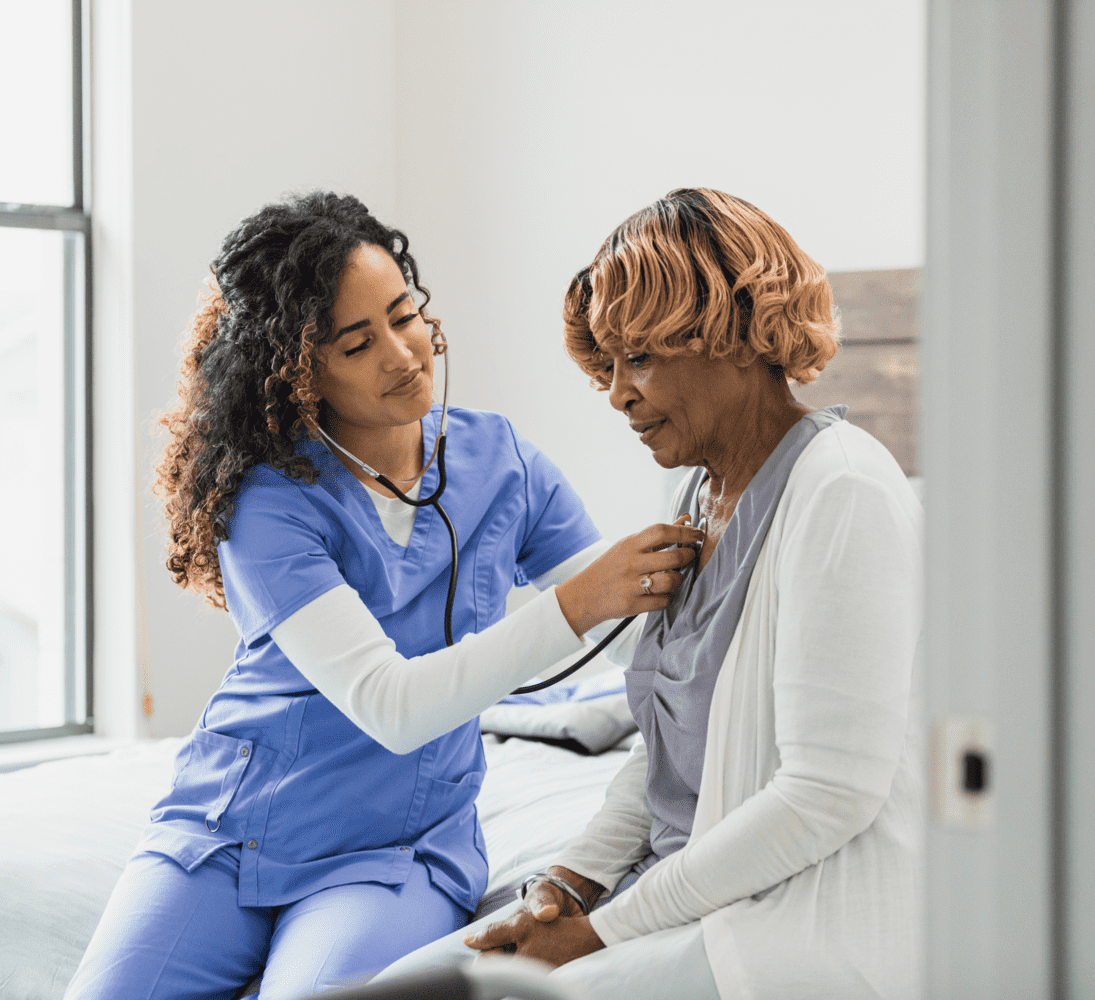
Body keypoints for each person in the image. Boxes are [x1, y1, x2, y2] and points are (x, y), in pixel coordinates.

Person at [62, 191, 702, 1000]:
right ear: (298, 370)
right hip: (224, 832)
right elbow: (389, 704)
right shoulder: (268, 498)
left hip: (393, 855)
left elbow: (644, 634)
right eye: (357, 343)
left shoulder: (503, 463)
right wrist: (580, 600)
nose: (403, 354)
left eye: (406, 316)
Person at [375, 188, 924, 1000]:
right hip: (677, 894)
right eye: (611, 363)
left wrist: (595, 935)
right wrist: (567, 886)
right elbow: (664, 758)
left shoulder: (843, 489)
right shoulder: (702, 498)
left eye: (640, 359)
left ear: (734, 336)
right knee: (398, 985)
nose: (616, 394)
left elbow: (826, 796)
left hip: (788, 927)